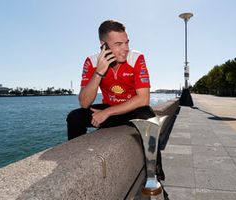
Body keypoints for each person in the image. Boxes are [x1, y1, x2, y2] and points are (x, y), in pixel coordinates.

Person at [66, 20, 166, 183]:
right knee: (74, 117)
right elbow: (84, 103)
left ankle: (155, 172)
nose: (125, 48)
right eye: (118, 44)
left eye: (126, 42)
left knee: (147, 117)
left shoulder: (136, 58)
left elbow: (143, 98)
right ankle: (74, 167)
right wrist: (99, 72)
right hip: (111, 111)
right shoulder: (91, 62)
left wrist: (107, 112)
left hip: (131, 110)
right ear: (103, 45)